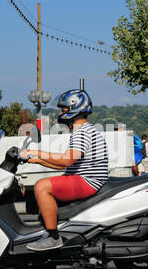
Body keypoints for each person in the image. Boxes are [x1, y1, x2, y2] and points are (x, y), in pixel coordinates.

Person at [20, 89, 109, 251]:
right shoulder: (82, 131)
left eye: (64, 109)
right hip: (82, 177)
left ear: (76, 108)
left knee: (42, 186)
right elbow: (65, 165)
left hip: (88, 180)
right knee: (43, 201)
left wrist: (36, 152)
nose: (61, 112)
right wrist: (38, 160)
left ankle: (54, 238)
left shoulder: (82, 133)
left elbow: (66, 160)